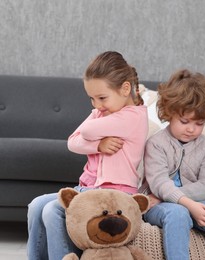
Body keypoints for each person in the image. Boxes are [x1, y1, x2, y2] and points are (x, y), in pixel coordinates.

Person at [27, 51, 148, 260]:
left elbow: (86, 132)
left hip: (115, 194)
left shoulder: (133, 117)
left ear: (125, 88)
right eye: (92, 99)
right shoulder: (101, 113)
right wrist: (99, 146)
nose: (96, 105)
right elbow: (72, 142)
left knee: (51, 211)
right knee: (37, 205)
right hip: (88, 190)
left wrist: (92, 133)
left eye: (102, 98)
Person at [142, 69, 205, 260]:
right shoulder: (156, 144)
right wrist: (186, 203)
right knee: (178, 213)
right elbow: (159, 183)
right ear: (169, 113)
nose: (191, 129)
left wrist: (177, 199)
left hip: (172, 199)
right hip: (157, 206)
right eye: (184, 121)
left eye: (199, 123)